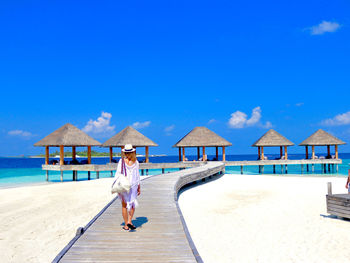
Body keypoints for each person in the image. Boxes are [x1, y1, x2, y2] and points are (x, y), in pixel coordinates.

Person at [117, 144, 141, 230]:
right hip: (133, 185)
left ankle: (126, 225)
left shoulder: (122, 161)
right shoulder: (136, 162)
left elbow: (118, 174)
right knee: (132, 204)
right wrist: (139, 186)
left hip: (124, 185)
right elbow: (137, 176)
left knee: (124, 205)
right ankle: (130, 221)